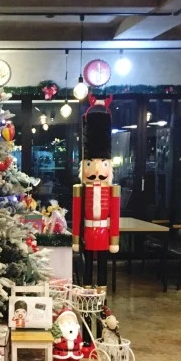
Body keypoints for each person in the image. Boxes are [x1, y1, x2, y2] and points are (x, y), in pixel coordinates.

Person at [72, 95, 120, 285]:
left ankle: (101, 291)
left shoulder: (113, 190)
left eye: (103, 164)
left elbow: (114, 218)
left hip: (103, 234)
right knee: (87, 267)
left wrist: (114, 241)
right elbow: (77, 216)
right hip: (88, 233)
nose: (98, 171)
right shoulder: (80, 190)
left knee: (102, 265)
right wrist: (76, 239)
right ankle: (86, 289)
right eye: (90, 164)